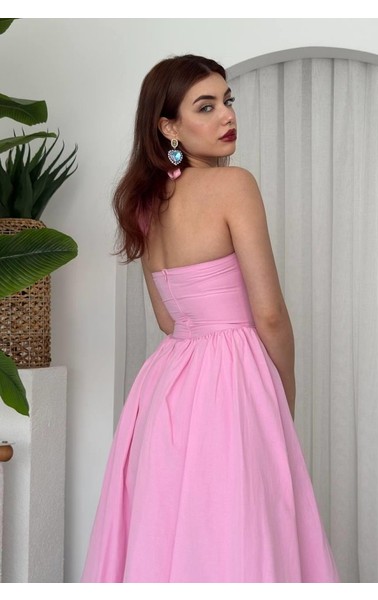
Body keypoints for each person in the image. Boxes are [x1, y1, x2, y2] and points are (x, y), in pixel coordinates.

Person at [81, 54, 339, 583]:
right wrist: (284, 388)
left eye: (228, 101)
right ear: (169, 127)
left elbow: (166, 319)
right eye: (206, 106)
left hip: (165, 386)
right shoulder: (234, 185)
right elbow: (270, 314)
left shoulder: (145, 203)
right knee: (237, 530)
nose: (227, 116)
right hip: (233, 378)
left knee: (175, 530)